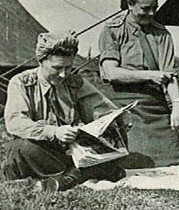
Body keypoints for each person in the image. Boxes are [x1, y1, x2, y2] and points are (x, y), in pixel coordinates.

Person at [3, 32, 125, 192]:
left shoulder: (75, 82)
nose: (63, 74)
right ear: (41, 61)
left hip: (74, 153)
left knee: (116, 142)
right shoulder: (21, 82)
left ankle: (61, 181)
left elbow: (102, 110)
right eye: (57, 68)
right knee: (19, 148)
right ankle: (73, 177)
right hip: (44, 153)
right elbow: (16, 122)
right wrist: (54, 131)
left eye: (68, 67)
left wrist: (115, 120)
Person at [99, 0, 179, 168]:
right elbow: (111, 73)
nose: (151, 13)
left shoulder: (162, 33)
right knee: (135, 161)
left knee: (174, 159)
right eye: (145, 8)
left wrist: (177, 105)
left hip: (154, 104)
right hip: (123, 104)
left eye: (154, 7)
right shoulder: (113, 30)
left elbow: (169, 75)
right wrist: (150, 75)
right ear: (130, 4)